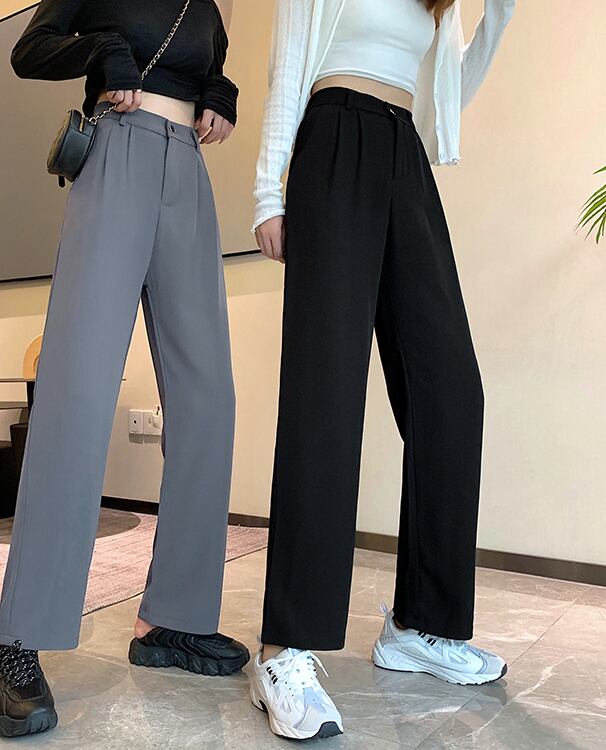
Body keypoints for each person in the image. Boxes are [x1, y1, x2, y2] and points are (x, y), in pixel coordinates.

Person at [0, 0, 247, 738]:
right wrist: (101, 48)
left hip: (187, 170)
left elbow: (209, 68)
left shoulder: (207, 7)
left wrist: (219, 92)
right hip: (116, 153)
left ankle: (173, 618)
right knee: (77, 392)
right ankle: (17, 645)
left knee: (209, 399)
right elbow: (31, 50)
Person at [250, 0, 516, 740]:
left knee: (451, 396)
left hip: (405, 156)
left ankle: (420, 626)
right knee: (326, 397)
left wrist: (498, 16)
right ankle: (284, 649)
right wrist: (269, 190)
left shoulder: (437, 3)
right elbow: (289, 64)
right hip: (334, 138)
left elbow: (445, 98)